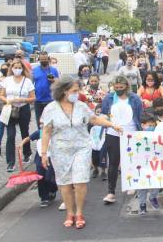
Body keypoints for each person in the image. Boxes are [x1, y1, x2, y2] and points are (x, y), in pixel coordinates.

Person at [40, 76, 121, 229]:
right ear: (64, 91)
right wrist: (44, 153)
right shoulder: (51, 108)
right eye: (74, 91)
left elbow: (95, 119)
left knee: (80, 181)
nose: (77, 94)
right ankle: (70, 213)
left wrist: (112, 125)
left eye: (78, 90)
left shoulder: (81, 106)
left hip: (81, 148)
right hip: (60, 150)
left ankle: (79, 213)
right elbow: (46, 132)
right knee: (64, 182)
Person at [101, 75, 143, 204]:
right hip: (113, 133)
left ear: (126, 86)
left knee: (131, 161)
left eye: (121, 87)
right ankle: (111, 192)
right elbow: (104, 113)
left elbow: (139, 115)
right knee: (113, 162)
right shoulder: (108, 98)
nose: (118, 89)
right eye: (116, 87)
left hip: (131, 133)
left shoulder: (134, 98)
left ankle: (131, 185)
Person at [0, 60, 35, 171]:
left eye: (19, 67)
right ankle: (10, 162)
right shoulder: (7, 80)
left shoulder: (27, 81)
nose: (17, 69)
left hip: (23, 108)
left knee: (25, 132)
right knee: (10, 135)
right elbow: (1, 95)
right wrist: (7, 100)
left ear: (23, 69)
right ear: (12, 68)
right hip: (10, 109)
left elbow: (33, 98)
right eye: (15, 67)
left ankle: (27, 153)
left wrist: (23, 99)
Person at [19, 121, 58, 208]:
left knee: (49, 178)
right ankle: (44, 198)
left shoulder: (54, 132)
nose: (42, 125)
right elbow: (28, 138)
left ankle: (53, 189)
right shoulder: (38, 132)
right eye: (41, 123)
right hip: (39, 159)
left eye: (44, 122)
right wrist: (21, 144)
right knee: (40, 177)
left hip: (51, 159)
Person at [137, 114, 161, 214]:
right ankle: (142, 204)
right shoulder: (137, 137)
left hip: (155, 165)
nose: (152, 127)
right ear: (143, 125)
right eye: (149, 125)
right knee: (142, 185)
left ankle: (153, 197)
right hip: (141, 166)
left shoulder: (157, 136)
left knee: (157, 182)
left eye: (153, 125)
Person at [33, 52, 59, 126]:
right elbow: (31, 84)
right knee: (40, 123)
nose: (44, 60)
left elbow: (59, 83)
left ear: (48, 59)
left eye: (45, 59)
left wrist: (54, 80)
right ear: (39, 59)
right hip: (38, 101)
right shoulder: (35, 70)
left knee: (52, 122)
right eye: (42, 59)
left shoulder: (54, 70)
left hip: (50, 100)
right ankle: (41, 137)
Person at [89, 105, 107, 180]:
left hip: (102, 144)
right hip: (94, 144)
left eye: (100, 112)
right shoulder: (91, 125)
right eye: (97, 112)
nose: (99, 114)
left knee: (103, 157)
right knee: (94, 157)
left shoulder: (105, 125)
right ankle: (95, 169)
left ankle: (103, 171)